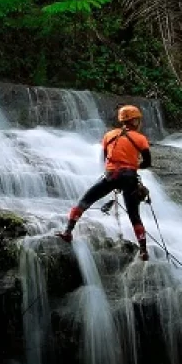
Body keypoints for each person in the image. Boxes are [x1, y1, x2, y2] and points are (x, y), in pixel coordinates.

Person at [57, 104, 152, 261]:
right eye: (137, 120)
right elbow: (147, 162)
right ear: (134, 121)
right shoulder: (140, 138)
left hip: (110, 176)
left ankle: (67, 232)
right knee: (134, 215)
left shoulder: (109, 135)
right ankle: (143, 250)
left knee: (84, 201)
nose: (139, 122)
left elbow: (105, 158)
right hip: (129, 177)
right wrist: (135, 166)